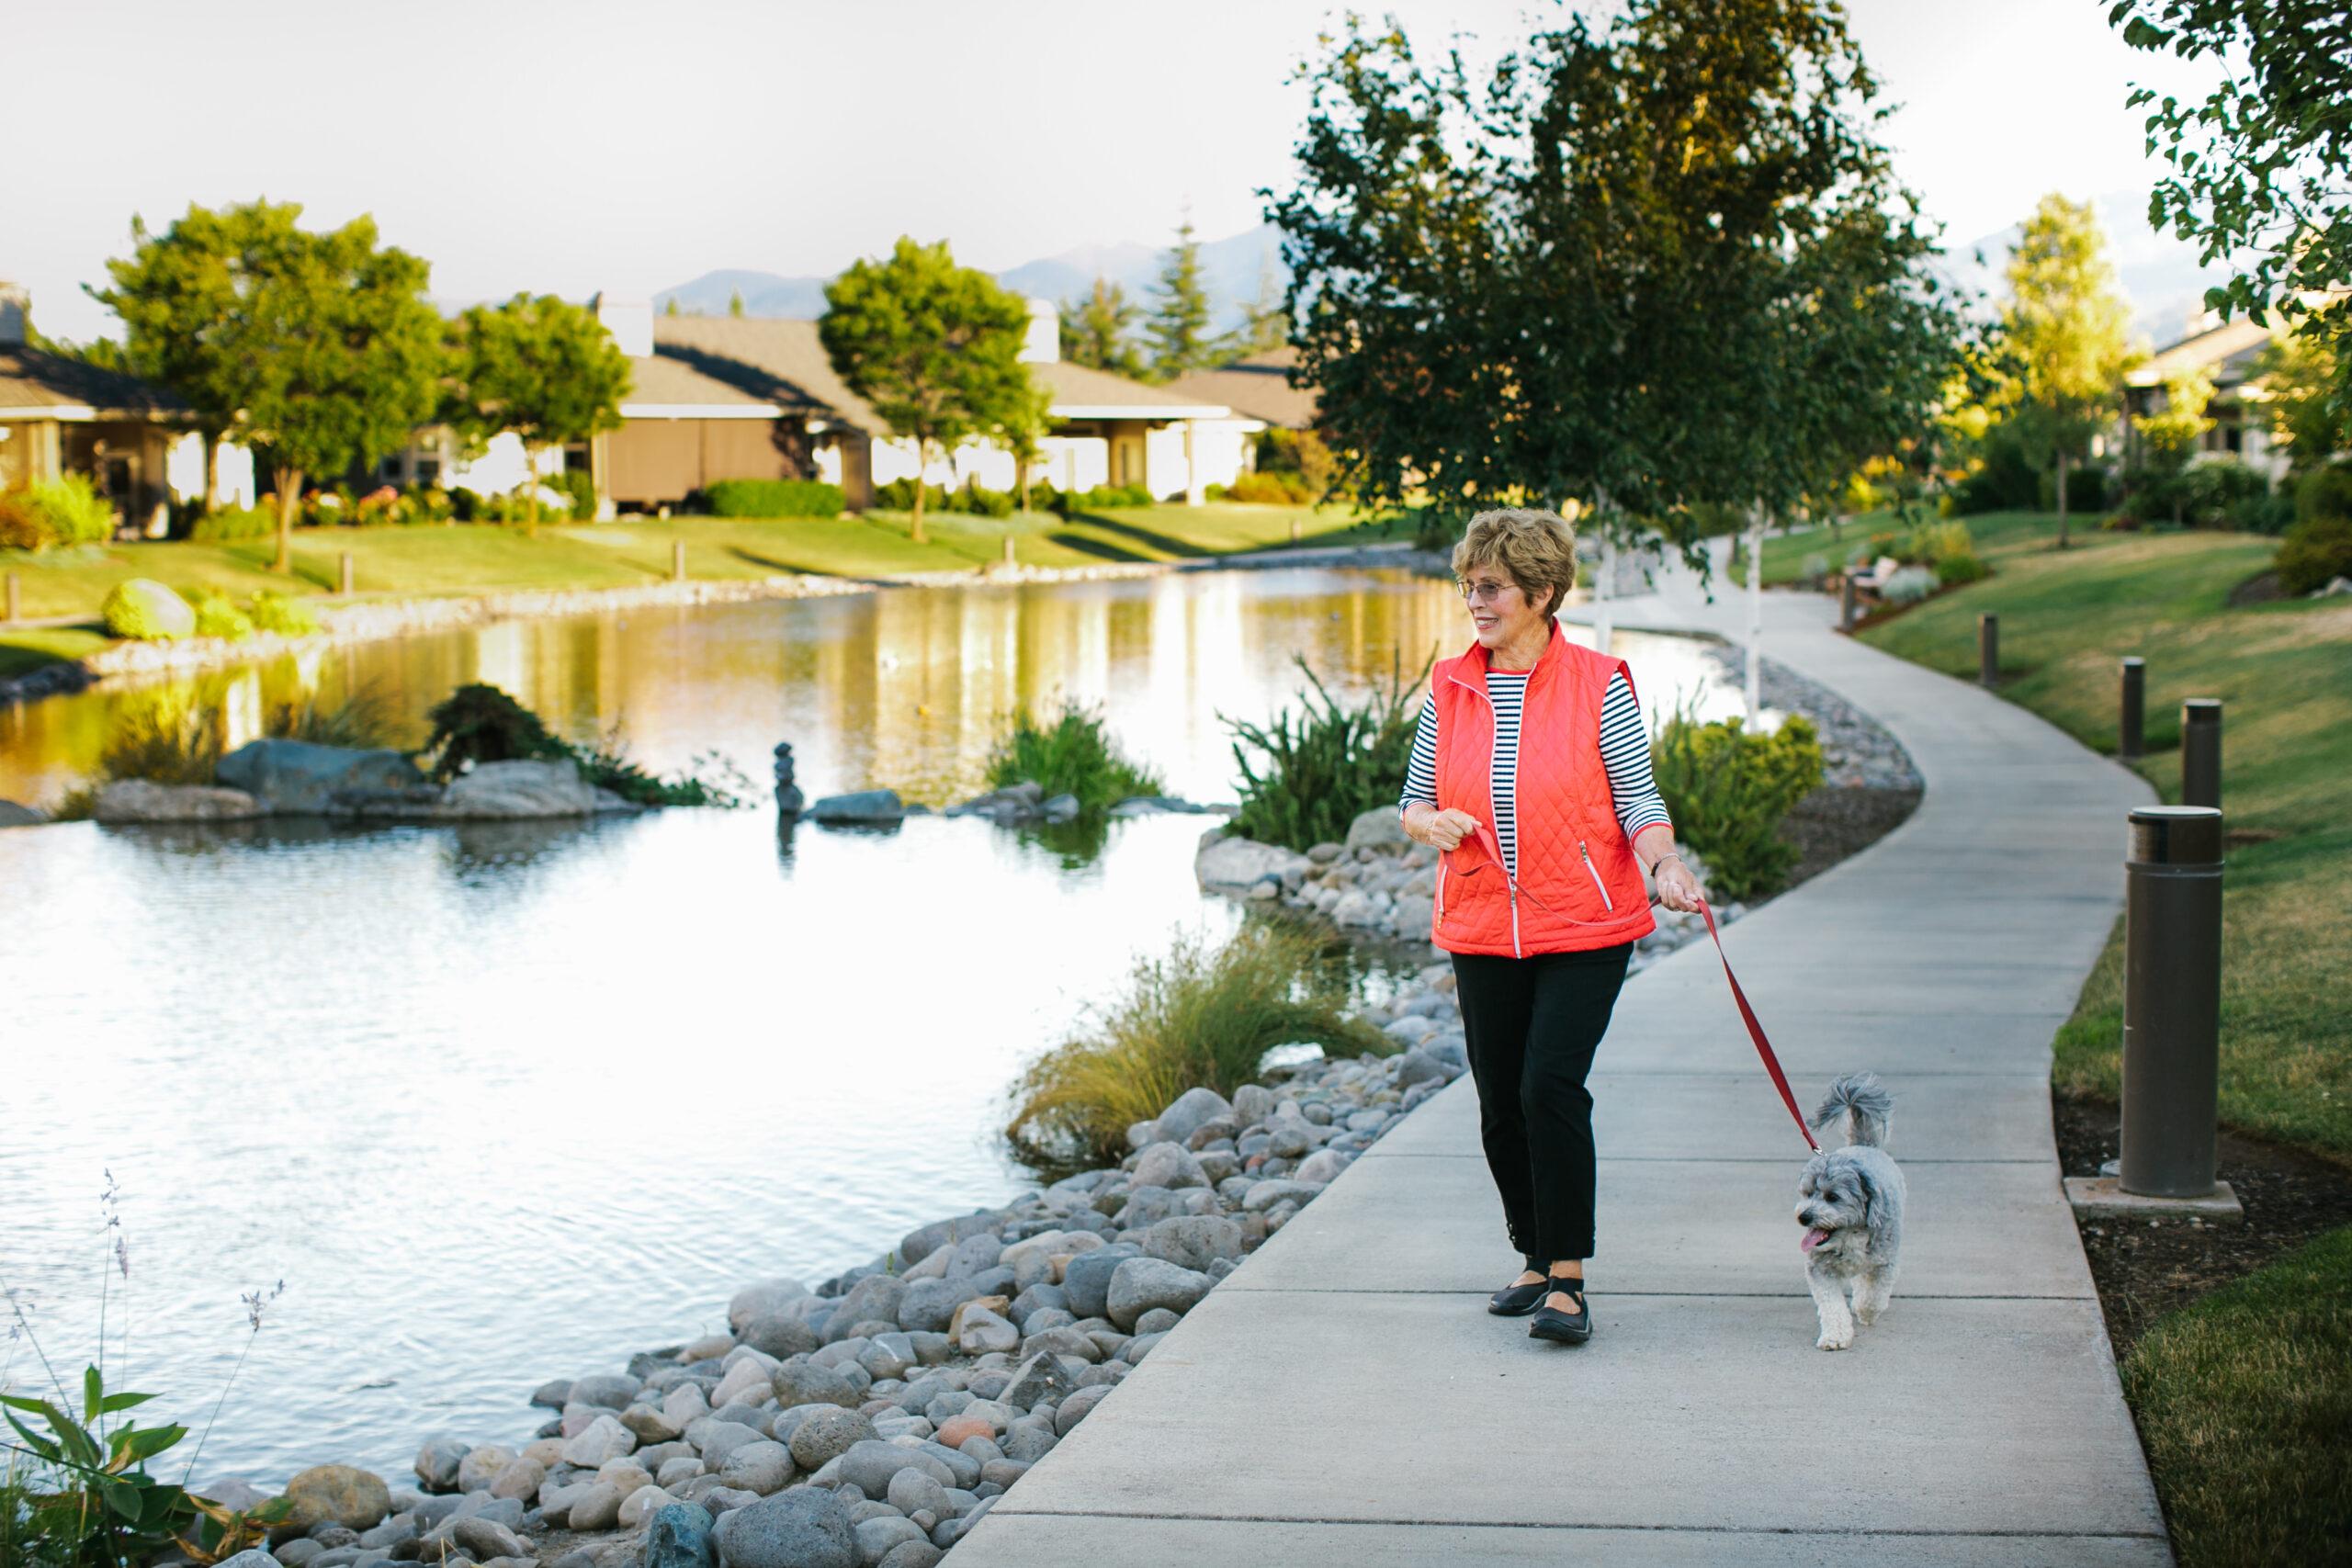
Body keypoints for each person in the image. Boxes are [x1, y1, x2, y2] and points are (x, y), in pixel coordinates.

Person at [1398, 508, 1705, 1345]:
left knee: (1549, 1088)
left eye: (1491, 587)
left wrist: (1665, 863)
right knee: (1500, 1103)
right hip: (1481, 921)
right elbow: (1413, 797)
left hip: (1585, 924)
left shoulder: (1601, 681)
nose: (1475, 601)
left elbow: (1638, 798)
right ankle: (1531, 1254)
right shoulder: (1451, 683)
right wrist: (1431, 825)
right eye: (1468, 585)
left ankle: (1568, 1279)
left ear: (1540, 592)